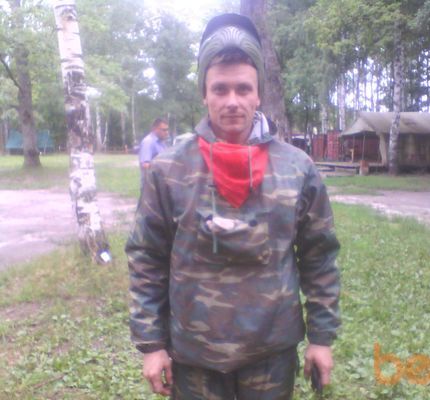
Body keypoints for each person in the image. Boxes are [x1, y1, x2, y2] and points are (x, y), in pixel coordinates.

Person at [126, 13, 340, 400]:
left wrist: (321, 338)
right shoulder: (169, 169)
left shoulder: (297, 168)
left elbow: (319, 256)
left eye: (243, 89)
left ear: (258, 94)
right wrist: (152, 345)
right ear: (204, 94)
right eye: (220, 89)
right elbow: (147, 257)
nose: (232, 102)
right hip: (193, 354)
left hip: (271, 353)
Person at [138, 117, 169, 184]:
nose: (167, 132)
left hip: (160, 184)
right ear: (154, 129)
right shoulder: (148, 142)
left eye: (167, 130)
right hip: (151, 185)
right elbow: (145, 165)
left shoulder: (161, 143)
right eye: (164, 130)